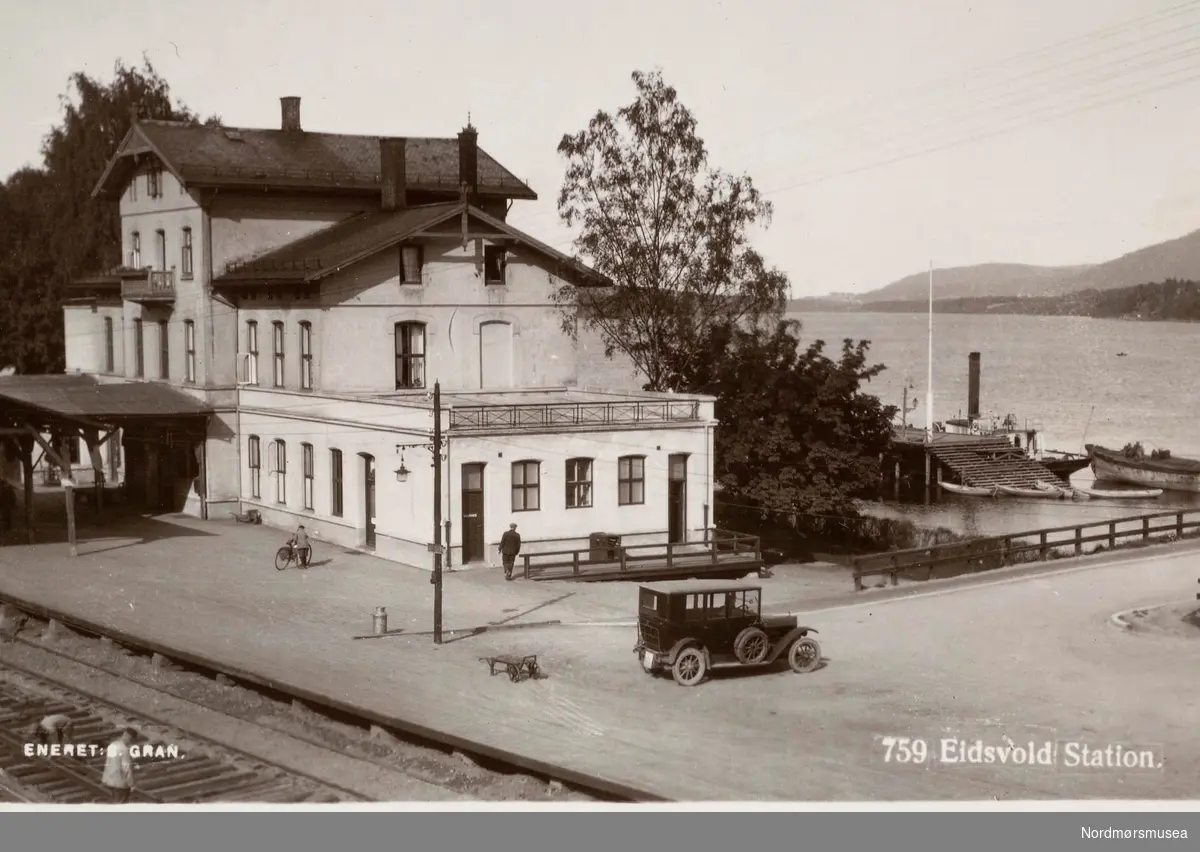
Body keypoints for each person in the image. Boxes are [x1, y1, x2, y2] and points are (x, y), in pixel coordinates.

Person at [102, 727, 137, 804]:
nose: (130, 743)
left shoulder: (112, 745)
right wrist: (132, 784)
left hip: (109, 780)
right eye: (131, 741)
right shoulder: (124, 749)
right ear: (129, 738)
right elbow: (126, 769)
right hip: (120, 784)